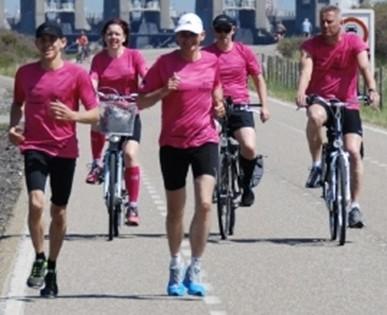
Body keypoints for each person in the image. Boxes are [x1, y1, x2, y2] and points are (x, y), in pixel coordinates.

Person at [8, 21, 99, 297]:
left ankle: (52, 267)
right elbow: (17, 103)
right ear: (36, 44)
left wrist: (72, 116)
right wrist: (14, 128)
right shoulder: (25, 73)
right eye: (42, 40)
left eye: (52, 39)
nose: (47, 44)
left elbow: (95, 113)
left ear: (62, 43)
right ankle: (38, 256)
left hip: (64, 150)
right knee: (36, 202)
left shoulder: (76, 75)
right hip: (35, 147)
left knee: (58, 212)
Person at [137, 13, 224, 297]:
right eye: (182, 35)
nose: (186, 40)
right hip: (173, 143)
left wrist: (219, 104)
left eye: (191, 35)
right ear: (177, 37)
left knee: (206, 204)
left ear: (202, 37)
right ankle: (175, 263)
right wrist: (164, 90)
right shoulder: (164, 64)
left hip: (205, 139)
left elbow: (216, 88)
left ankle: (195, 266)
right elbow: (141, 101)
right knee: (176, 210)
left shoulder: (212, 62)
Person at [296, 5, 379, 228]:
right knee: (314, 116)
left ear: (340, 23)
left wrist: (372, 89)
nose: (325, 25)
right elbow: (306, 70)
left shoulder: (353, 42)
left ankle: (354, 206)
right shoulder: (311, 45)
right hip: (322, 100)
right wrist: (301, 92)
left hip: (347, 102)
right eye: (322, 21)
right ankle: (316, 165)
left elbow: (364, 66)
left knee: (353, 151)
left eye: (330, 21)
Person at [85, 18, 147, 226]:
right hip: (108, 109)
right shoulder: (99, 59)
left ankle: (133, 205)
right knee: (95, 118)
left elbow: (145, 75)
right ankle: (96, 163)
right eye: (110, 33)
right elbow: (92, 78)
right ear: (104, 37)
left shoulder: (134, 56)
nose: (113, 37)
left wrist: (146, 87)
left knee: (129, 154)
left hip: (130, 111)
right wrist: (90, 91)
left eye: (117, 34)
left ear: (124, 37)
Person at [204, 14, 270, 207]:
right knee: (208, 143)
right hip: (214, 107)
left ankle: (246, 184)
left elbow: (258, 79)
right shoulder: (206, 54)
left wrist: (264, 106)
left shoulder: (244, 52)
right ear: (213, 32)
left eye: (227, 30)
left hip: (240, 105)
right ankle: (213, 182)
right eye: (219, 30)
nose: (223, 34)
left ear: (233, 30)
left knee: (249, 147)